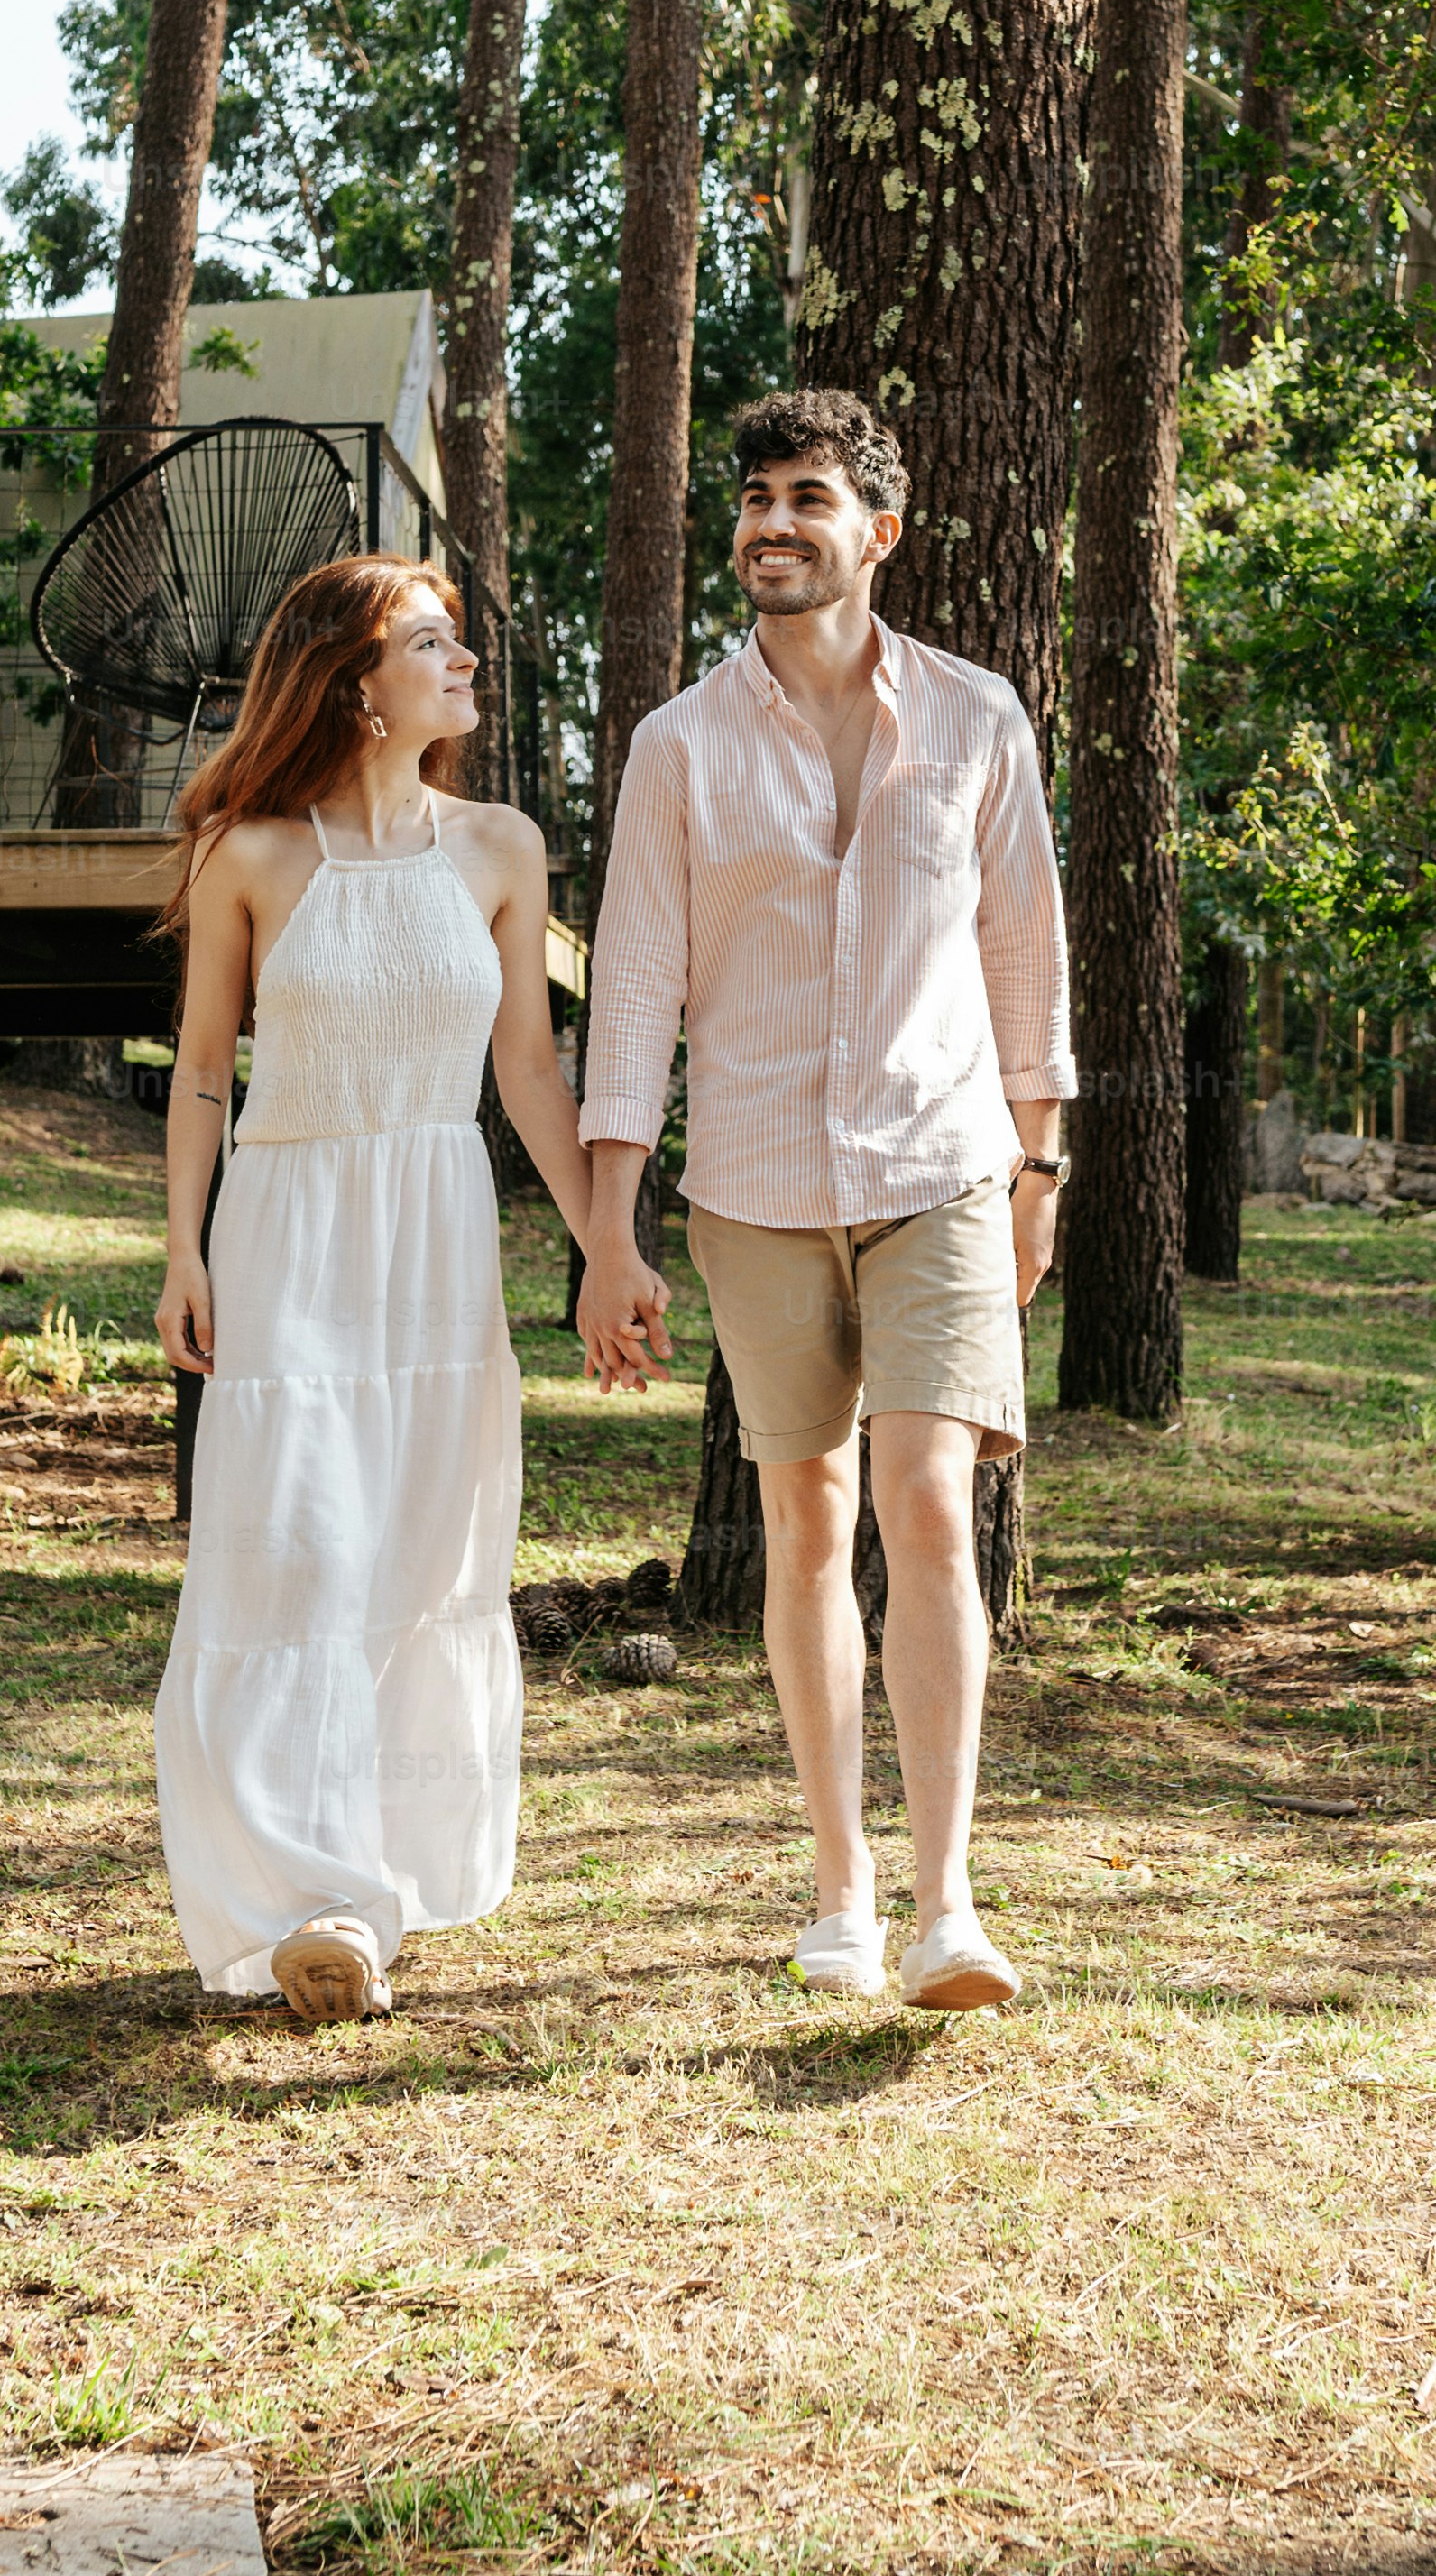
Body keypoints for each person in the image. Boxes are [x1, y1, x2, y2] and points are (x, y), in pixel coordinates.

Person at [574, 391, 1073, 2012]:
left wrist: (1041, 1159)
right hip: (759, 1188)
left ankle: (947, 1904)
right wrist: (608, 1228)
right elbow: (636, 992)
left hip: (941, 1169)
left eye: (808, 497)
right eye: (754, 499)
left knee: (930, 1502)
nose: (771, 524)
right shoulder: (678, 745)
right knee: (805, 1521)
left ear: (880, 530)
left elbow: (1024, 961)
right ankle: (839, 1890)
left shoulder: (981, 719)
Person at [151, 554, 607, 2024]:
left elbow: (528, 1070)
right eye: (433, 642)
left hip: (436, 1233)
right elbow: (203, 1073)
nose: (465, 664)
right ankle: (309, 1902)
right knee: (295, 1555)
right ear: (357, 683)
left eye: (459, 640)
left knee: (414, 1561)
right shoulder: (251, 854)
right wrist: (183, 1248)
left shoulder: (499, 849)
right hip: (288, 1234)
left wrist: (608, 1239)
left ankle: (372, 1889)